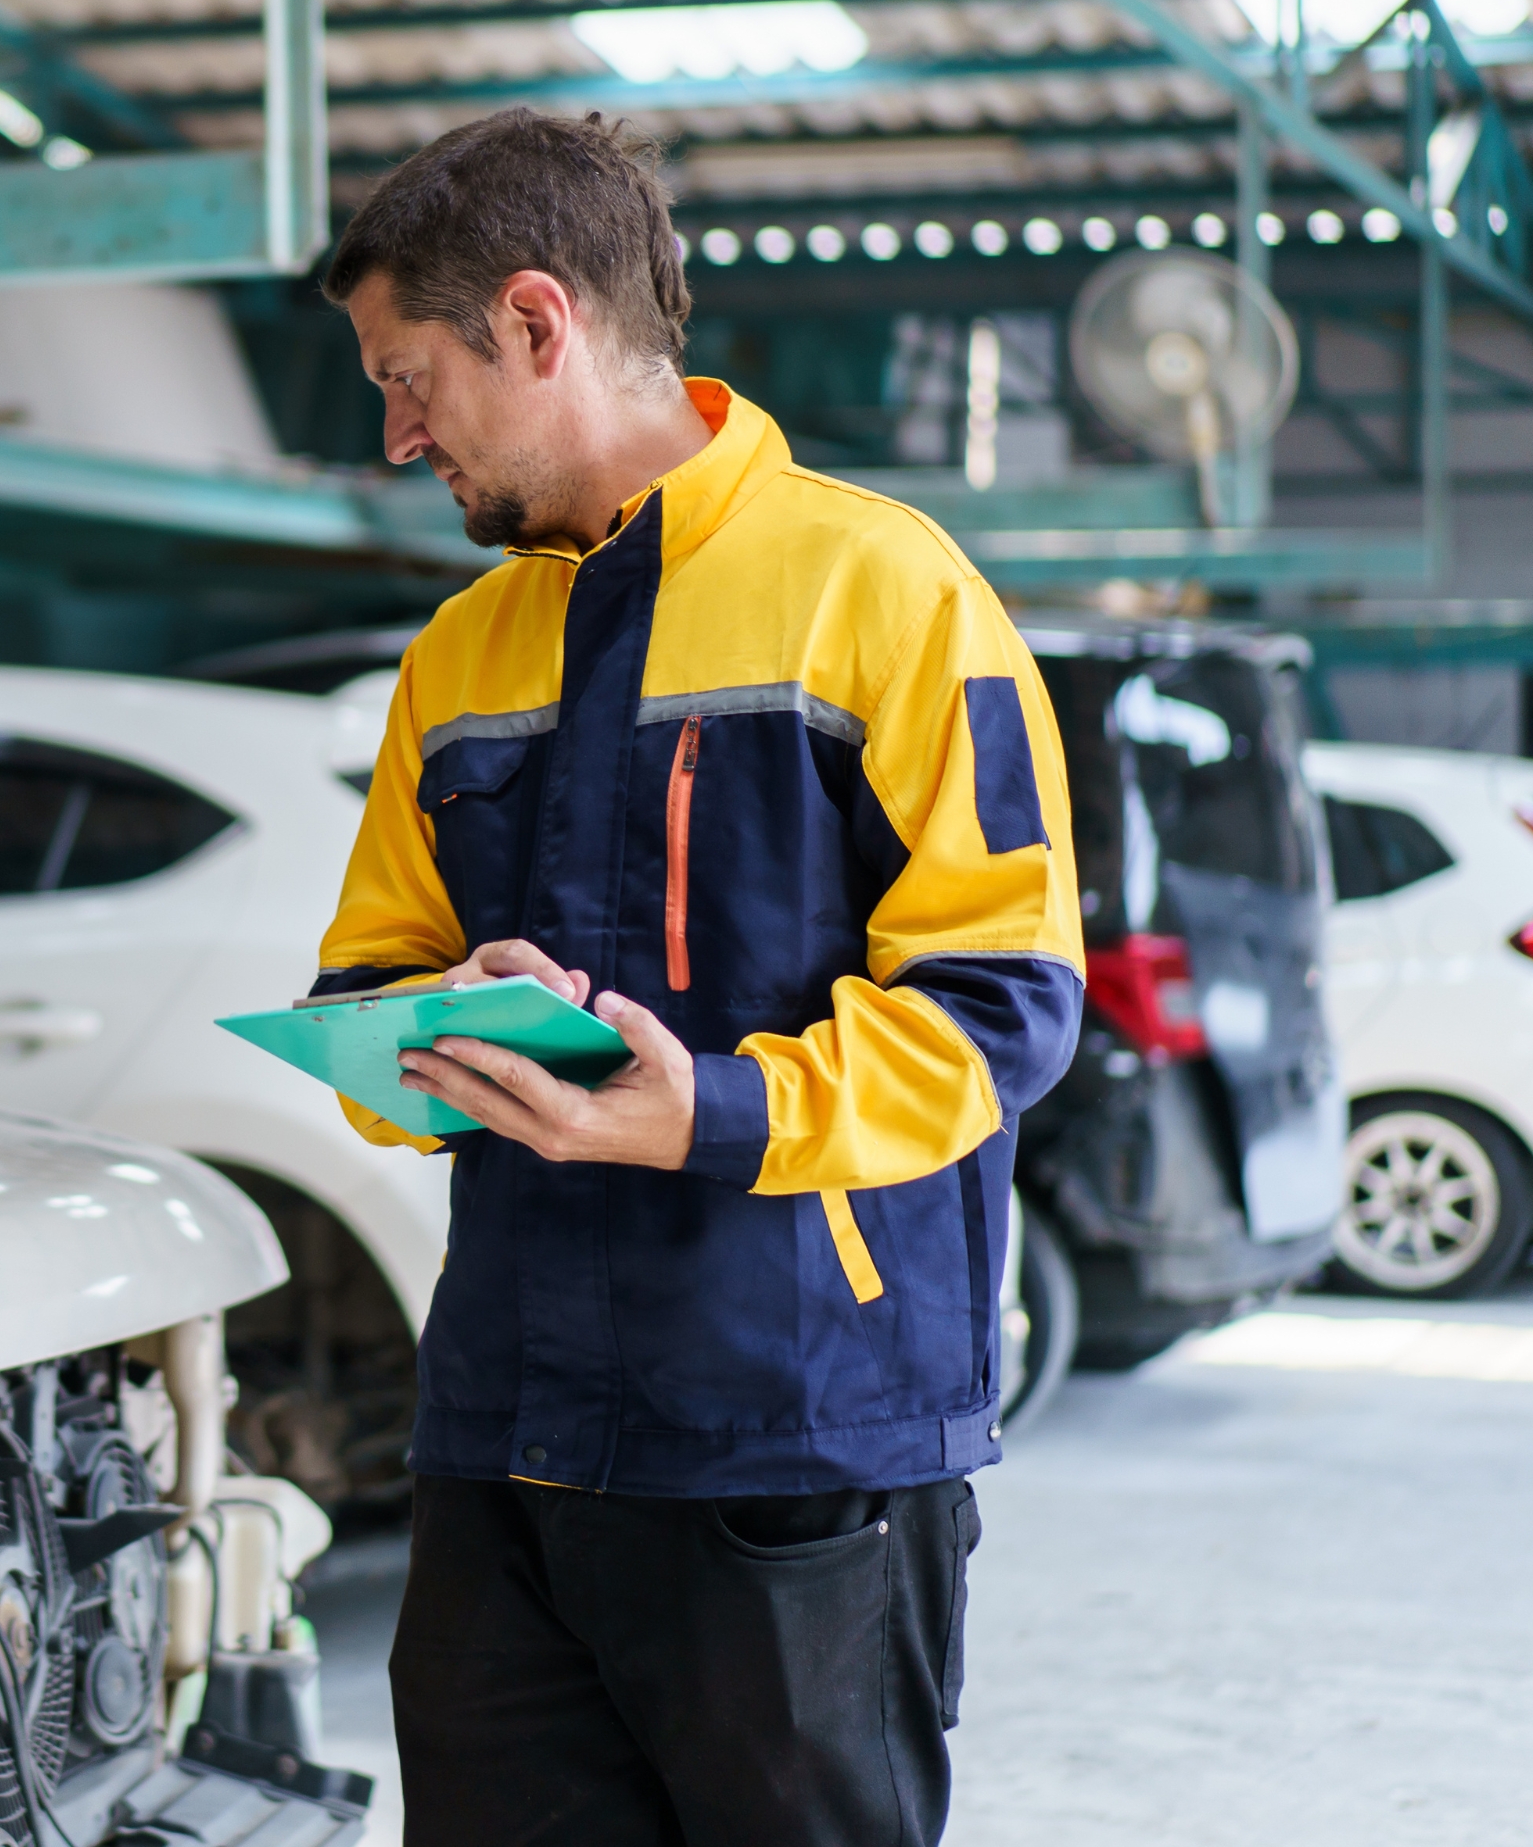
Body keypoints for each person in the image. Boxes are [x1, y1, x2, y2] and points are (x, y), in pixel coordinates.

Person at [310, 110, 1083, 1846]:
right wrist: (426, 1033)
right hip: (503, 1436)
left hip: (796, 1431)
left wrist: (706, 1115)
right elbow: (367, 976)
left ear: (534, 321)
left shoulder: (880, 590)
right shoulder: (457, 653)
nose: (396, 432)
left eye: (408, 376)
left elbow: (1002, 1007)